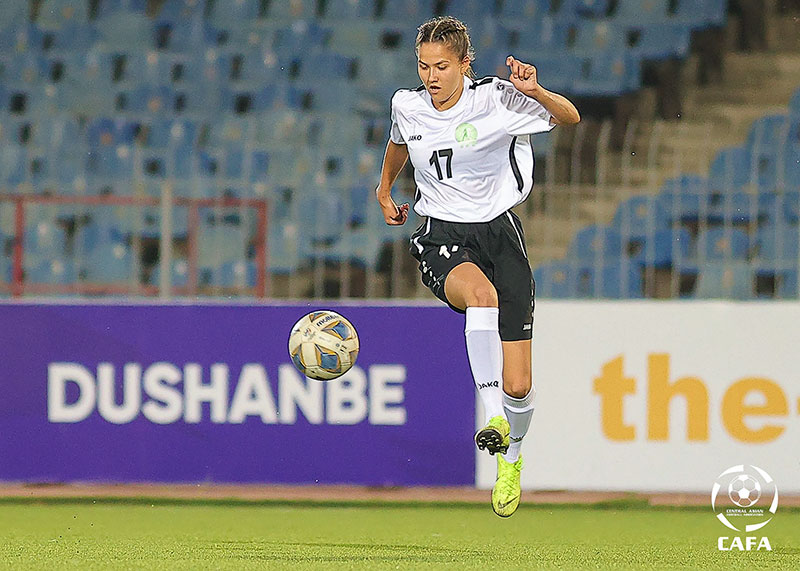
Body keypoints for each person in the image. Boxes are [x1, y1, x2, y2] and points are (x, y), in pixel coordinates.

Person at [376, 16, 580, 517]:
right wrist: (385, 189)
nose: (431, 76)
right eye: (423, 65)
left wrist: (537, 91)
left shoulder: (497, 98)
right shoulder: (407, 104)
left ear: (465, 65)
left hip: (499, 232)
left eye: (441, 66)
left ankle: (510, 458)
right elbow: (400, 142)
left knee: (519, 386)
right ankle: (492, 419)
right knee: (481, 297)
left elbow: (570, 117)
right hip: (440, 232)